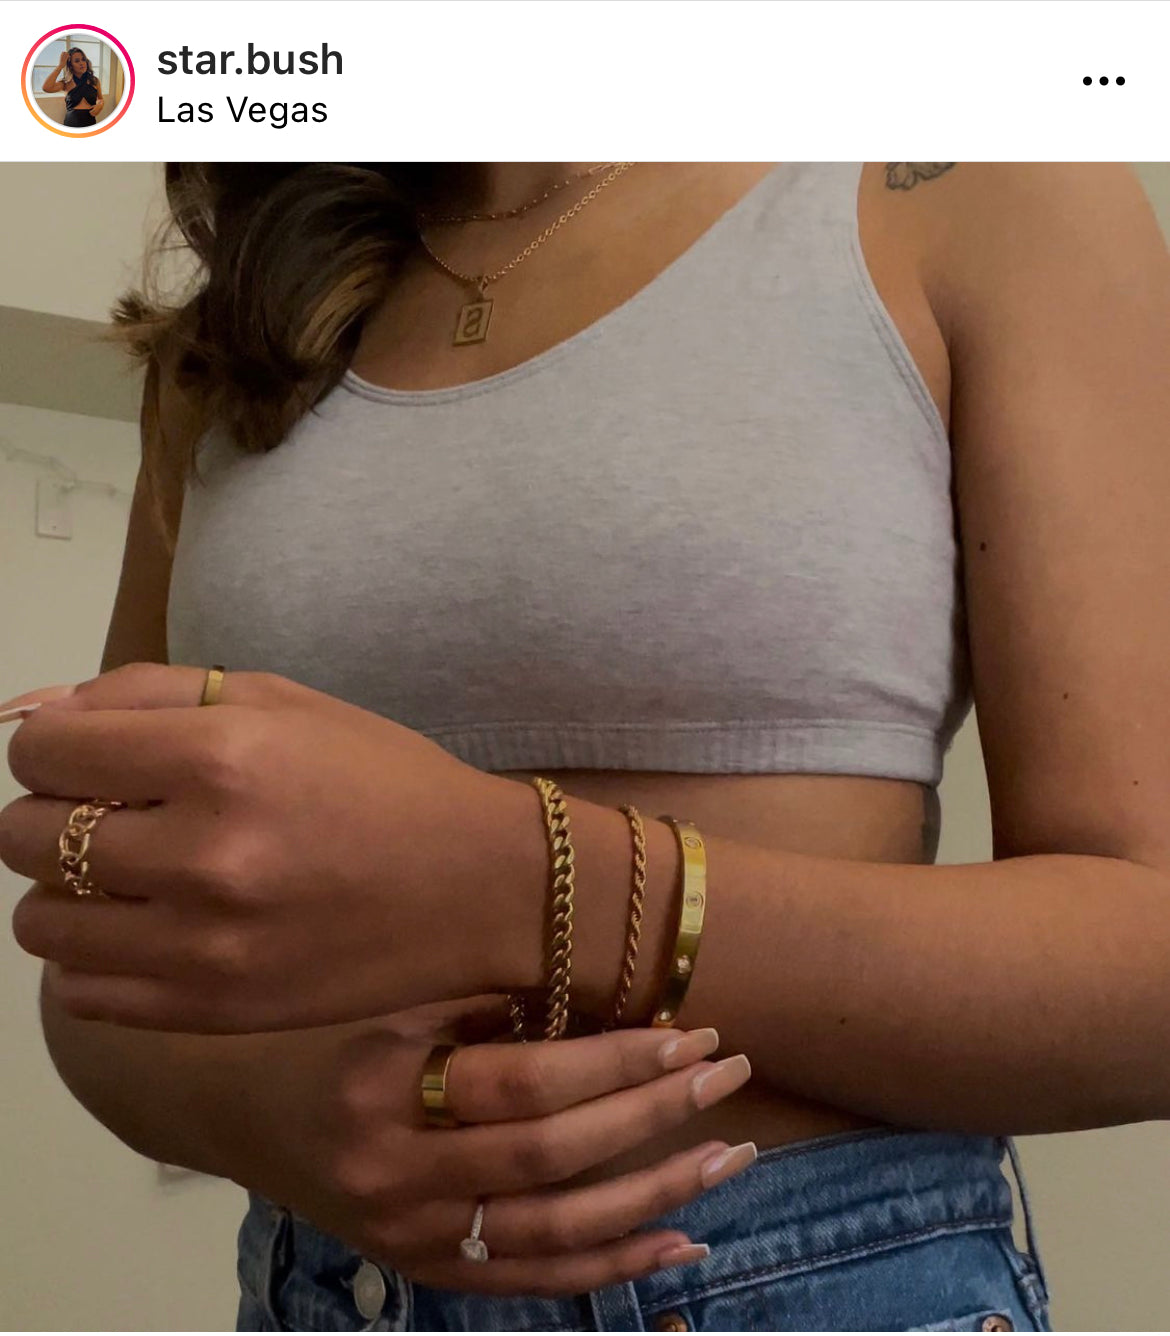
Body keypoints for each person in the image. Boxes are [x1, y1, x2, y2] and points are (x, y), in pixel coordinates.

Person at [5, 160, 1169, 1331]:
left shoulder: (964, 177)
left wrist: (520, 879)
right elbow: (97, 952)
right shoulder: (245, 319)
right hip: (326, 1289)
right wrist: (271, 1115)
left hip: (811, 1283)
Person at [41, 46, 103, 128]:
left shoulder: (94, 80)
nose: (81, 63)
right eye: (77, 61)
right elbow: (46, 88)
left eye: (83, 59)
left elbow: (100, 99)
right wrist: (60, 66)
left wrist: (100, 105)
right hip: (71, 124)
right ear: (70, 66)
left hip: (90, 123)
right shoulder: (66, 83)